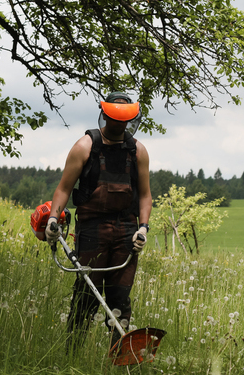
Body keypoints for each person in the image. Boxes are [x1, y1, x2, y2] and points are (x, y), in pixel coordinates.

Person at [45, 92, 152, 351]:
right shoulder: (85, 146)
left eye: (124, 121)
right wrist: (52, 218)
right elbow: (63, 189)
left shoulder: (137, 151)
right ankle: (72, 353)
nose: (120, 125)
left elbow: (146, 196)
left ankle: (118, 358)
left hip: (127, 230)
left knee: (120, 299)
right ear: (106, 116)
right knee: (86, 295)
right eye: (115, 120)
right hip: (92, 229)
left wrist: (143, 228)